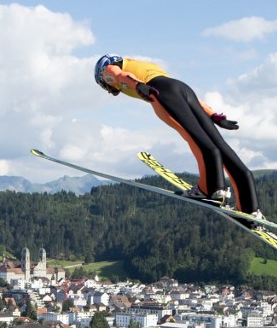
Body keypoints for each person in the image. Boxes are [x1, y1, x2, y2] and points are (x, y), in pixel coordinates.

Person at [94, 54, 263, 220]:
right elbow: (185, 94)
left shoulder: (108, 68)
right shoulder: (144, 65)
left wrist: (137, 85)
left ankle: (210, 189)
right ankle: (249, 207)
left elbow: (119, 75)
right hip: (182, 89)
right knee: (219, 144)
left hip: (160, 91)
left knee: (194, 138)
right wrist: (213, 115)